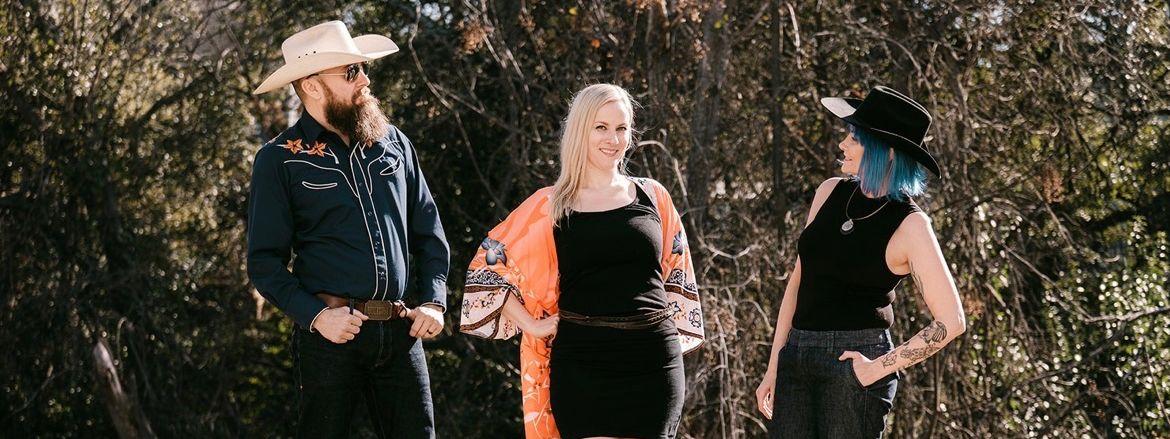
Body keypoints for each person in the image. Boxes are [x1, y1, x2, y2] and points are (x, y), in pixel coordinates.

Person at [459, 84, 705, 438]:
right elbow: (487, 267)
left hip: (653, 359)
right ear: (580, 131)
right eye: (601, 127)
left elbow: (677, 276)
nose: (613, 139)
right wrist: (531, 324)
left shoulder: (654, 196)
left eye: (621, 128)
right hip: (583, 362)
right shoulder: (551, 204)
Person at [247, 20, 449, 438]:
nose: (365, 80)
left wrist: (434, 301)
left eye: (362, 68)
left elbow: (428, 231)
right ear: (312, 86)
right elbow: (264, 263)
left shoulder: (394, 143)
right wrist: (317, 317)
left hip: (400, 331)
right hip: (330, 339)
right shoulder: (279, 159)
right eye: (351, 71)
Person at [755, 86, 967, 438]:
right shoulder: (829, 192)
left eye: (854, 138)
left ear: (886, 151)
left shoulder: (911, 225)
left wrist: (877, 369)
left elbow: (952, 320)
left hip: (855, 366)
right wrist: (775, 364)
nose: (843, 145)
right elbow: (798, 282)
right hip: (797, 356)